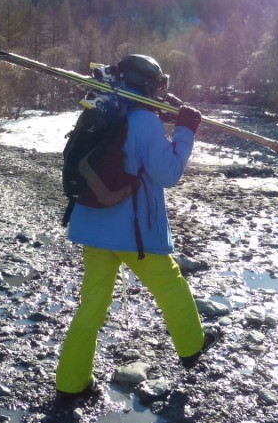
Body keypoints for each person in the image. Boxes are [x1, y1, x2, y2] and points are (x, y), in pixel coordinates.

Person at [55, 54, 217, 399]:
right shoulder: (144, 121)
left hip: (93, 225)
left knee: (92, 305)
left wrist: (167, 114)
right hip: (134, 232)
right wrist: (185, 131)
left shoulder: (102, 109)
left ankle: (71, 383)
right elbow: (168, 174)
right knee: (171, 286)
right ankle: (192, 346)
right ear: (147, 84)